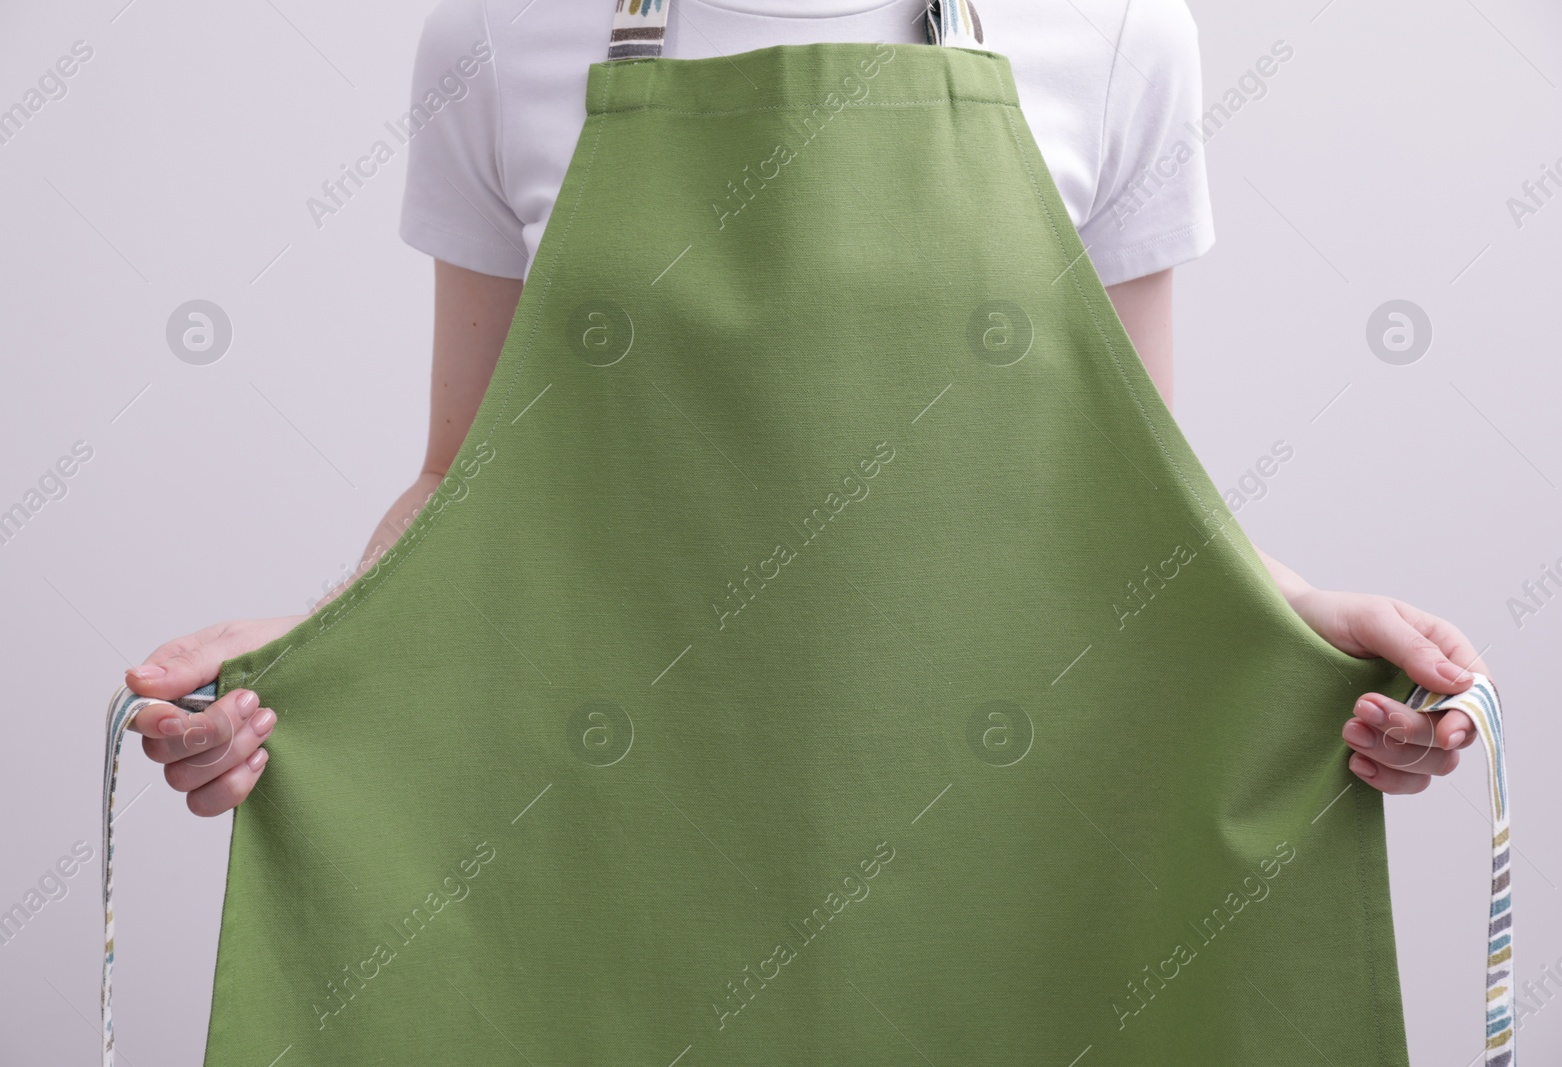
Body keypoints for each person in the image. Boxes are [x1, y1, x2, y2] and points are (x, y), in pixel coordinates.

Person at [121, 0, 1485, 815]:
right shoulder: (500, 29)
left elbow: (1128, 496)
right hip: (603, 822)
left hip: (990, 833)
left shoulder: (1113, 29)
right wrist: (313, 668)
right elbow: (461, 484)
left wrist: (1309, 628)